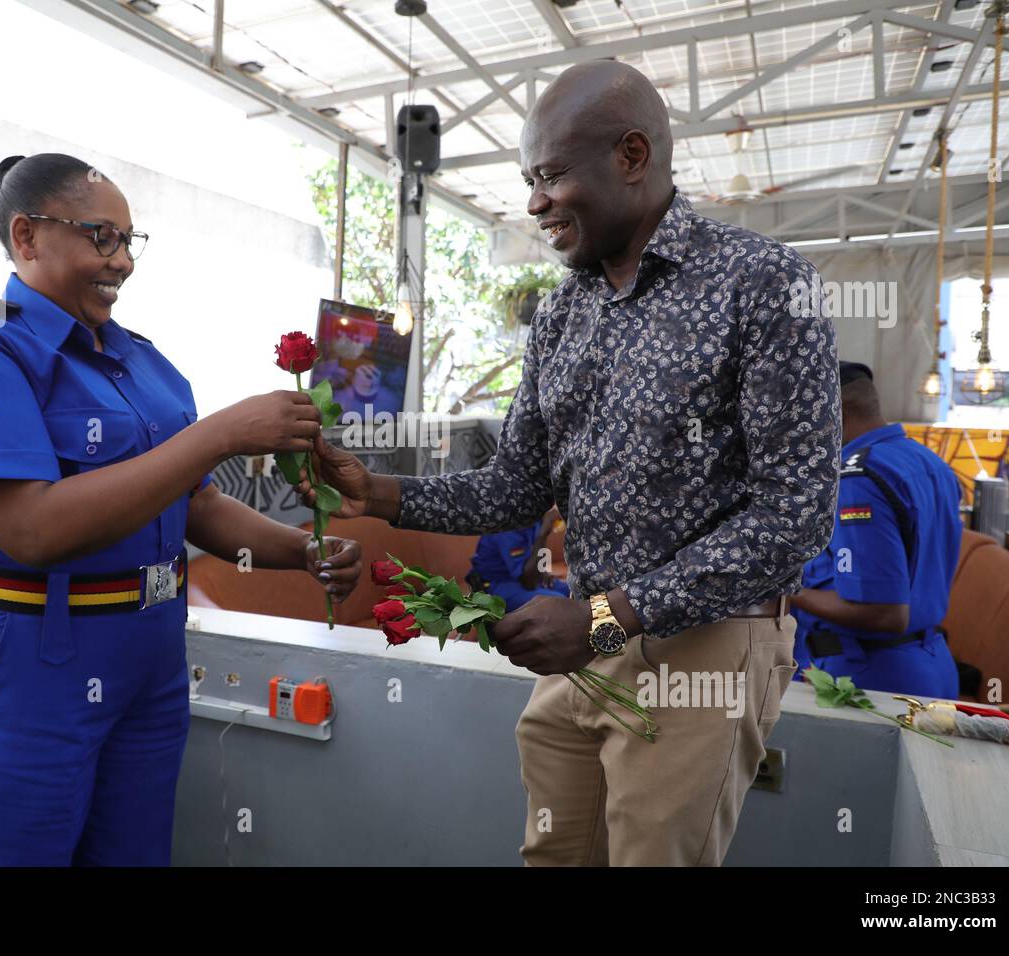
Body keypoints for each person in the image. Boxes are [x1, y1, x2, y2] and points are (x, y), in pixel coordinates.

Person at [295, 60, 840, 866]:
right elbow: (518, 482)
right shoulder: (562, 312)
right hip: (586, 643)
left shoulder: (762, 284)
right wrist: (378, 492)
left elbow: (794, 516)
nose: (534, 203)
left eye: (550, 176)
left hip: (701, 651)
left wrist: (606, 616)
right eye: (528, 180)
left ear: (630, 156)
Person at [0, 153, 362, 866]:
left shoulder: (140, 361)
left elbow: (195, 501)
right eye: (100, 237)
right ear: (27, 237)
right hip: (26, 658)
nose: (123, 262)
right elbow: (32, 528)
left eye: (129, 241)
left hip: (147, 654)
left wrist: (299, 552)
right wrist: (221, 433)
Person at [790, 362, 962, 698]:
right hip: (931, 665)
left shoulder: (855, 481)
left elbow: (883, 612)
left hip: (872, 680)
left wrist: (787, 590)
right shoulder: (928, 462)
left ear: (833, 414)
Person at [469, 507, 570, 612]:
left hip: (525, 576)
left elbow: (535, 553)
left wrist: (542, 572)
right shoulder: (506, 525)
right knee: (559, 603)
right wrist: (542, 535)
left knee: (572, 591)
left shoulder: (532, 517)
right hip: (499, 584)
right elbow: (528, 582)